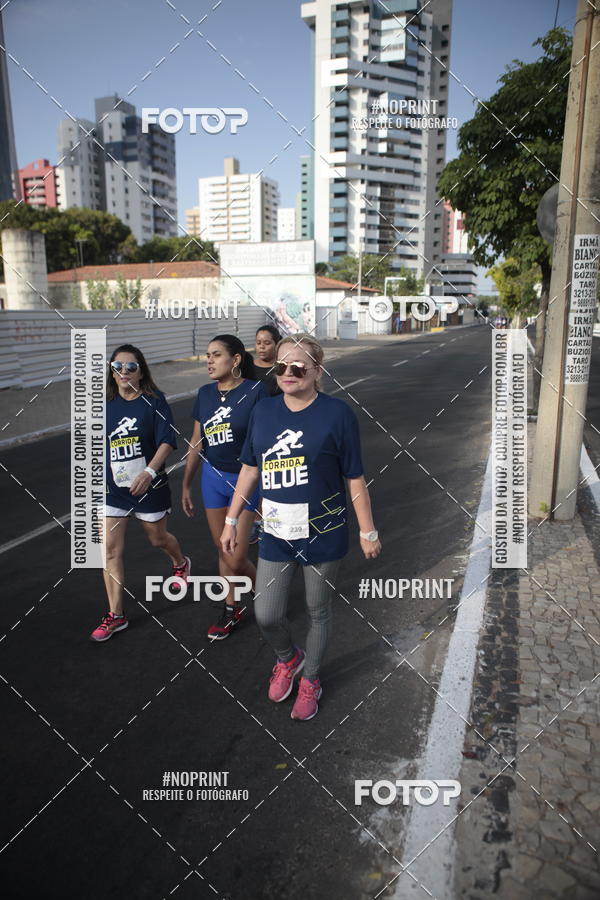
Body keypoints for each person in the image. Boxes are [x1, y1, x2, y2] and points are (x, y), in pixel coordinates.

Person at [221, 333, 381, 720]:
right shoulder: (264, 411)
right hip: (275, 532)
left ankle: (311, 679)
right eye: (281, 366)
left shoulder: (337, 414)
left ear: (317, 370)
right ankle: (288, 658)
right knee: (267, 614)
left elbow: (355, 478)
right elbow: (250, 468)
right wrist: (231, 519)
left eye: (298, 367)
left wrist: (367, 530)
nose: (288, 373)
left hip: (323, 531)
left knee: (317, 610)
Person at [90, 345, 190, 642]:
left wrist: (148, 472)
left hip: (149, 486)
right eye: (117, 366)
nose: (123, 372)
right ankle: (116, 615)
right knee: (109, 550)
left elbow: (168, 441)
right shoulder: (104, 404)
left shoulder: (154, 401)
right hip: (113, 490)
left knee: (157, 539)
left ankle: (180, 562)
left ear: (141, 371)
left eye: (130, 367)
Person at [182, 334, 267, 640]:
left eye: (216, 355)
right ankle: (231, 608)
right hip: (213, 477)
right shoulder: (204, 394)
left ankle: (264, 593)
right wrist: (186, 484)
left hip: (247, 478)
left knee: (234, 555)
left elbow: (268, 438)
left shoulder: (256, 391)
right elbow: (197, 441)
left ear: (235, 360)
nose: (209, 360)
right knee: (222, 545)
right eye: (207, 355)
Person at [252, 324, 282, 396]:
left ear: (277, 344)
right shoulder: (247, 366)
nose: (261, 347)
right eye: (258, 343)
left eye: (267, 343)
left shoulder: (283, 368)